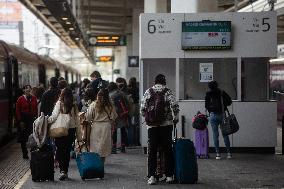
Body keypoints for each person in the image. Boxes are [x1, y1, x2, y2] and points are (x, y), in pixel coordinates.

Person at [141, 74, 179, 185]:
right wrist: (175, 117)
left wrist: (149, 116)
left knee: (152, 150)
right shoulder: (168, 91)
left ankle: (152, 176)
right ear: (164, 81)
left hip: (152, 126)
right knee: (167, 150)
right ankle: (169, 176)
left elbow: (142, 109)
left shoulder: (148, 91)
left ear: (155, 81)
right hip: (166, 125)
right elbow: (174, 106)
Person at [48, 88, 81, 181]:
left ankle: (62, 171)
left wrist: (45, 120)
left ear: (62, 94)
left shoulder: (59, 103)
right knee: (66, 151)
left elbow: (53, 117)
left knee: (60, 150)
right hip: (71, 131)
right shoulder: (74, 105)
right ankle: (65, 171)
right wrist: (79, 135)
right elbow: (77, 121)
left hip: (61, 130)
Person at [84, 89, 117, 163]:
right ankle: (101, 166)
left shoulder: (93, 104)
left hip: (96, 127)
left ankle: (96, 166)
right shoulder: (110, 105)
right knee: (103, 148)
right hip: (106, 127)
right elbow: (113, 117)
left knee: (95, 147)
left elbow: (88, 117)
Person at [205, 80, 232, 160]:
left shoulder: (208, 94)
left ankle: (217, 154)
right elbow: (229, 101)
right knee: (225, 134)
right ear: (217, 85)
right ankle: (229, 153)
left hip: (213, 115)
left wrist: (210, 110)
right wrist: (224, 105)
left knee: (215, 134)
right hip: (222, 115)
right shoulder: (221, 92)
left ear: (209, 86)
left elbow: (206, 106)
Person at [16, 85, 38, 159]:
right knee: (23, 137)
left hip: (32, 119)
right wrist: (20, 121)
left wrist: (36, 118)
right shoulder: (20, 99)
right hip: (23, 119)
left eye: (29, 89)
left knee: (32, 136)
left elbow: (36, 108)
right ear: (24, 90)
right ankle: (24, 153)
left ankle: (33, 151)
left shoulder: (34, 98)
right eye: (26, 89)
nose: (28, 90)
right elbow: (17, 110)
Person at [108, 82, 129, 153]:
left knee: (114, 131)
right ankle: (123, 147)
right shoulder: (122, 93)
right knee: (123, 130)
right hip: (122, 114)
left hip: (114, 115)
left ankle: (114, 147)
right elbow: (127, 103)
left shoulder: (109, 95)